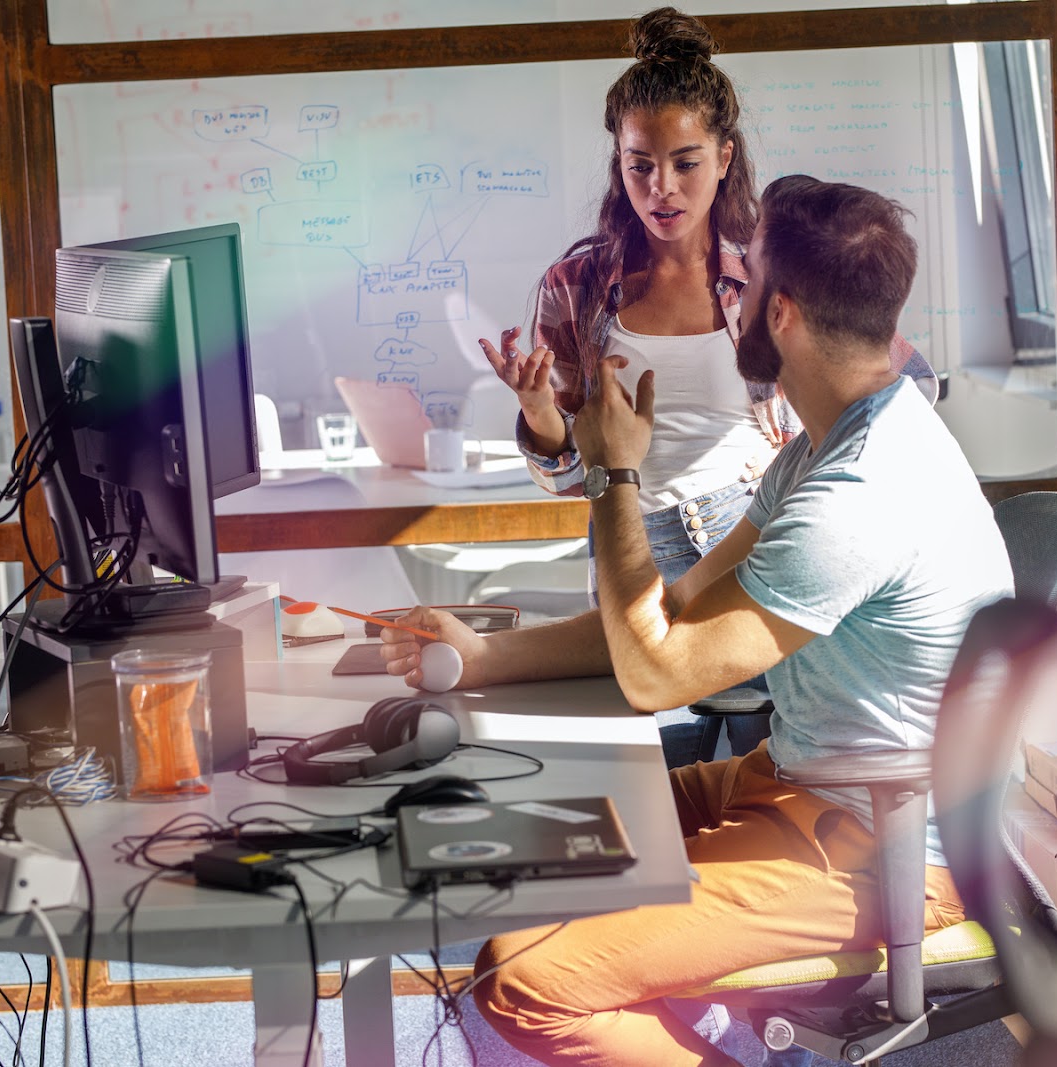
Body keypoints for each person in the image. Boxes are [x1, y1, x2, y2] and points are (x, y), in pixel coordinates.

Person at [381, 174, 1013, 1067]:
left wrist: (613, 479)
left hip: (885, 840)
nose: (732, 300)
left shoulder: (858, 495)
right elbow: (672, 608)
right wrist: (482, 657)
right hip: (800, 783)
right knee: (523, 844)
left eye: (745, 284)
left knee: (520, 979)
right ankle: (704, 1024)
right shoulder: (829, 441)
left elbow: (656, 674)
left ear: (781, 313)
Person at [478, 7, 936, 766]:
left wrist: (808, 479)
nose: (661, 187)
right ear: (618, 161)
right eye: (640, 164)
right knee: (644, 769)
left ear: (725, 157)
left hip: (747, 524)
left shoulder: (771, 271)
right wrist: (539, 417)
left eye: (686, 162)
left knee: (773, 757)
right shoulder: (576, 287)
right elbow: (569, 475)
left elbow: (900, 380)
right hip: (631, 537)